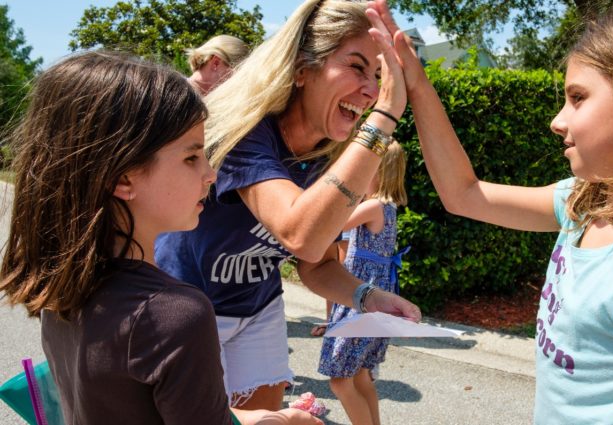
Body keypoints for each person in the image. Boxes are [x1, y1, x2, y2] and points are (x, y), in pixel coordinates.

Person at [367, 0, 613, 423]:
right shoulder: (585, 202)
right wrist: (419, 87)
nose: (557, 120)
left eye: (577, 98)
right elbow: (465, 194)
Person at [0, 51, 322, 425]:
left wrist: (266, 419)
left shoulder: (64, 284)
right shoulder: (174, 314)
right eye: (191, 157)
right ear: (123, 178)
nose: (210, 175)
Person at [155, 0, 421, 411]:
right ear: (302, 69)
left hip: (257, 307)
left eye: (379, 76)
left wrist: (369, 297)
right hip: (187, 307)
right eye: (356, 67)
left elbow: (315, 261)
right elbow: (298, 230)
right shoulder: (249, 133)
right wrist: (385, 115)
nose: (371, 90)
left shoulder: (327, 158)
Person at [318, 141, 408, 425]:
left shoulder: (372, 206)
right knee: (360, 375)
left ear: (378, 171)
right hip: (375, 294)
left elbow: (333, 222)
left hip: (361, 297)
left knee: (340, 381)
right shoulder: (388, 207)